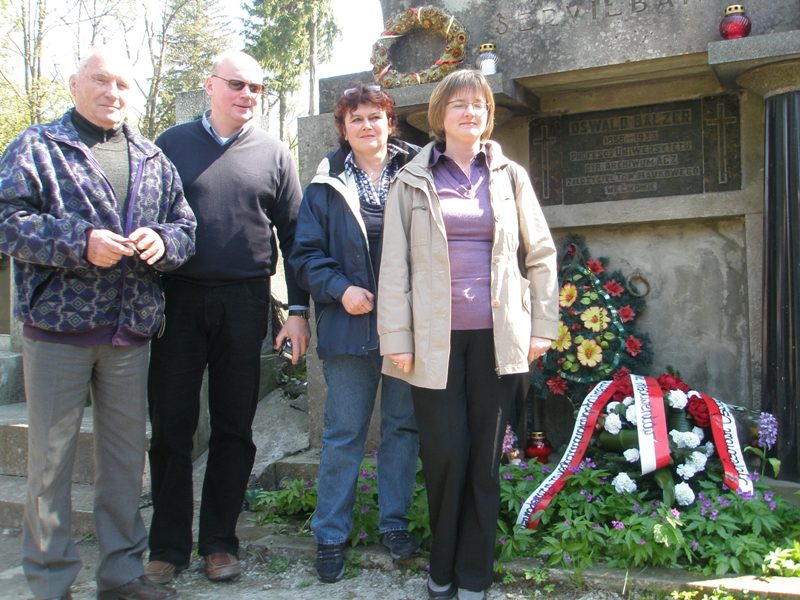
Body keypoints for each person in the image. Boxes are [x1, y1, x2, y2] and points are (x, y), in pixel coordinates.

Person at [0, 47, 196, 600]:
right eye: (101, 81)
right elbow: (6, 222)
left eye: (122, 84)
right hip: (58, 329)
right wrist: (79, 242)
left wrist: (164, 242)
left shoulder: (153, 158)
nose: (113, 92)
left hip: (129, 331)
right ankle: (51, 582)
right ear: (74, 82)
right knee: (49, 467)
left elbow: (186, 227)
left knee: (124, 461)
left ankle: (121, 574)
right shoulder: (38, 146)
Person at [377, 69, 559, 600]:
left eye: (478, 103)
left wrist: (542, 326)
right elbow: (394, 266)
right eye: (458, 103)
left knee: (483, 460)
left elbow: (541, 254)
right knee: (446, 455)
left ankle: (475, 576)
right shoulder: (410, 180)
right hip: (432, 343)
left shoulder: (510, 176)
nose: (469, 111)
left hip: (497, 339)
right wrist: (397, 336)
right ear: (439, 115)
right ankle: (442, 570)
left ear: (487, 114)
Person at [144, 50, 311, 586]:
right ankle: (168, 546)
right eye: (237, 84)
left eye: (257, 88)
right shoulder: (168, 146)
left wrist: (299, 311)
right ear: (211, 85)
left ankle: (220, 542)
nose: (247, 95)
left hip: (245, 302)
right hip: (178, 299)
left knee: (235, 427)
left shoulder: (274, 154)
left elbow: (296, 237)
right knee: (172, 425)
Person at [290, 83, 420, 583]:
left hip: (407, 326)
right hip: (350, 328)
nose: (368, 126)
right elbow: (304, 255)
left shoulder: (418, 173)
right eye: (356, 119)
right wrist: (340, 288)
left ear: (391, 121)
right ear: (342, 129)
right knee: (344, 433)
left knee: (402, 427)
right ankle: (330, 534)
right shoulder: (325, 185)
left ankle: (394, 525)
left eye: (376, 116)